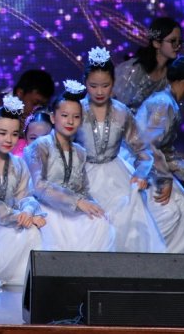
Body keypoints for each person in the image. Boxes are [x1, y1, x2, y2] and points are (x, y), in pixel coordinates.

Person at [77, 47, 165, 253]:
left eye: (105, 85)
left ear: (113, 83)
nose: (99, 92)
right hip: (82, 174)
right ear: (85, 83)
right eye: (93, 86)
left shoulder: (121, 112)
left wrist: (141, 173)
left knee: (127, 213)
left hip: (115, 175)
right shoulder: (76, 110)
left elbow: (143, 151)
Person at [135, 52, 184, 254]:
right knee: (171, 211)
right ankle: (143, 256)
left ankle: (172, 262)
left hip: (153, 165)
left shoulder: (169, 103)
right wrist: (165, 179)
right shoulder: (163, 103)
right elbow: (149, 145)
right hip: (140, 167)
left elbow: (165, 151)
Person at [24, 84, 115, 252]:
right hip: (45, 206)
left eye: (76, 117)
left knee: (100, 221)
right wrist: (77, 201)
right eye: (65, 115)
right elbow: (38, 186)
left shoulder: (79, 152)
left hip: (70, 210)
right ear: (53, 118)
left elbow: (82, 189)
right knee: (53, 232)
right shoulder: (40, 146)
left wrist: (93, 205)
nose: (70, 121)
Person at [0, 96, 46, 286]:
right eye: (3, 133)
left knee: (32, 232)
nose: (9, 139)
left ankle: (22, 281)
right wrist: (18, 217)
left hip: (11, 221)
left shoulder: (19, 164)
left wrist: (28, 212)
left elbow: (26, 196)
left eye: (14, 134)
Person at [114, 17, 184, 112]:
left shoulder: (170, 76)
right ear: (156, 43)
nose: (178, 46)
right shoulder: (134, 69)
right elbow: (114, 103)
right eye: (173, 41)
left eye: (180, 41)